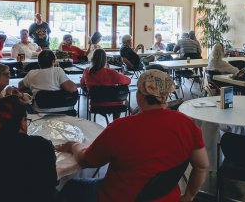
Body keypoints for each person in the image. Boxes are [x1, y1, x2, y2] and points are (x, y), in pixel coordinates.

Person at [56, 70, 209, 202]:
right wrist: (188, 197)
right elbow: (202, 165)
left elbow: (87, 160)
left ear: (140, 96)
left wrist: (73, 145)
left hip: (119, 197)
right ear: (166, 95)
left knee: (69, 186)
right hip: (167, 197)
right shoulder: (187, 124)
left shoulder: (120, 128)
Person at [80, 48, 131, 120]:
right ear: (105, 59)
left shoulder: (87, 71)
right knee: (119, 96)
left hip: (96, 104)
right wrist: (120, 75)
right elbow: (128, 81)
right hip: (115, 105)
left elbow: (82, 83)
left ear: (92, 58)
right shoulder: (111, 72)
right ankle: (115, 123)